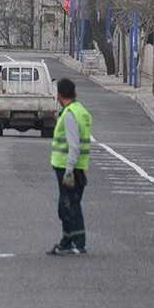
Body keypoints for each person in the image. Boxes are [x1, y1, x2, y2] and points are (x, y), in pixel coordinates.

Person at [48, 78, 93, 255]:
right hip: (79, 166)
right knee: (71, 204)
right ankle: (68, 241)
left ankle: (76, 242)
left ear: (59, 95)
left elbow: (73, 145)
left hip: (68, 168)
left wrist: (68, 171)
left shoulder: (69, 114)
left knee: (67, 206)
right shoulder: (82, 111)